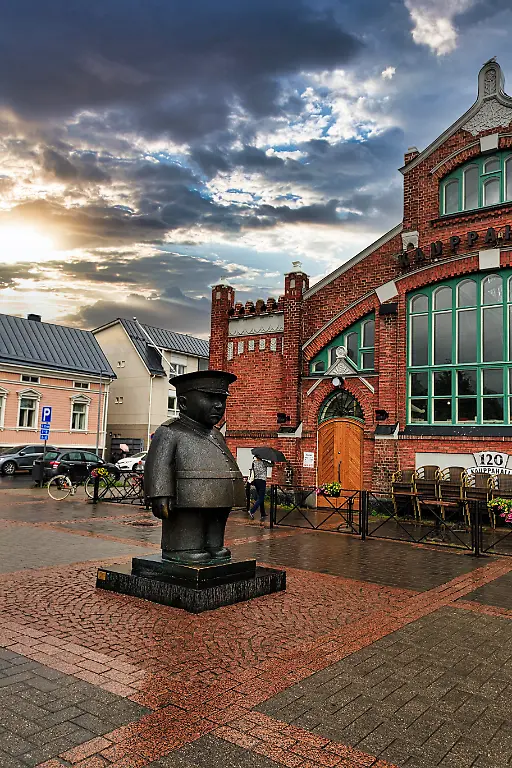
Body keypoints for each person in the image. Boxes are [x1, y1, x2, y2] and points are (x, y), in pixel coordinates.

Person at [144, 370, 246, 564]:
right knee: (190, 522)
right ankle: (184, 547)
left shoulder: (216, 434)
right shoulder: (169, 431)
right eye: (210, 398)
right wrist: (159, 494)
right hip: (187, 498)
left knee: (216, 522)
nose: (218, 405)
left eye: (222, 400)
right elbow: (158, 464)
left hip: (219, 497)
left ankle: (214, 546)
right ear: (183, 403)